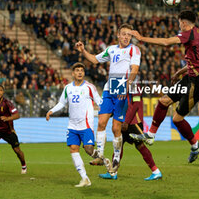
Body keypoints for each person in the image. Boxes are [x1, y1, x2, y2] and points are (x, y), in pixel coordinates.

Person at [128, 10, 199, 163]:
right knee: (163, 101)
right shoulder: (197, 33)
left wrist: (141, 38)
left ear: (184, 23)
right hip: (190, 77)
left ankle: (195, 145)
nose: (179, 26)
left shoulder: (189, 34)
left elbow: (166, 42)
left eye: (180, 23)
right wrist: (180, 72)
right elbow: (198, 62)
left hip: (198, 82)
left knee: (177, 118)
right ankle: (151, 135)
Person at [75, 23, 141, 176]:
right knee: (102, 122)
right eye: (123, 34)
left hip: (122, 88)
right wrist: (83, 50)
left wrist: (127, 86)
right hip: (108, 88)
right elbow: (94, 60)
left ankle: (116, 159)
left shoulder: (134, 50)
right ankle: (99, 156)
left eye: (129, 35)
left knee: (115, 128)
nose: (126, 37)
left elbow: (134, 70)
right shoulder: (111, 49)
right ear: (118, 35)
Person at [46, 62, 102, 187]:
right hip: (72, 125)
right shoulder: (67, 88)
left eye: (81, 70)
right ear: (73, 73)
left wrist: (107, 113)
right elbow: (62, 103)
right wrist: (51, 111)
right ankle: (85, 178)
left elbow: (99, 101)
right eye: (77, 70)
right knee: (73, 149)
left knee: (88, 150)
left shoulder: (89, 87)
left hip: (86, 124)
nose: (80, 72)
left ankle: (100, 157)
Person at [99, 85, 162, 180]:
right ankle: (112, 172)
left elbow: (136, 105)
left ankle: (156, 171)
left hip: (133, 122)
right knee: (118, 145)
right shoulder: (122, 84)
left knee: (140, 146)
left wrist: (127, 121)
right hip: (124, 120)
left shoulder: (135, 86)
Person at [0, 85, 27, 174]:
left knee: (18, 151)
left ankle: (23, 165)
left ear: (3, 92)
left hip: (8, 131)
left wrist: (7, 118)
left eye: (1, 90)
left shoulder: (8, 103)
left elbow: (17, 115)